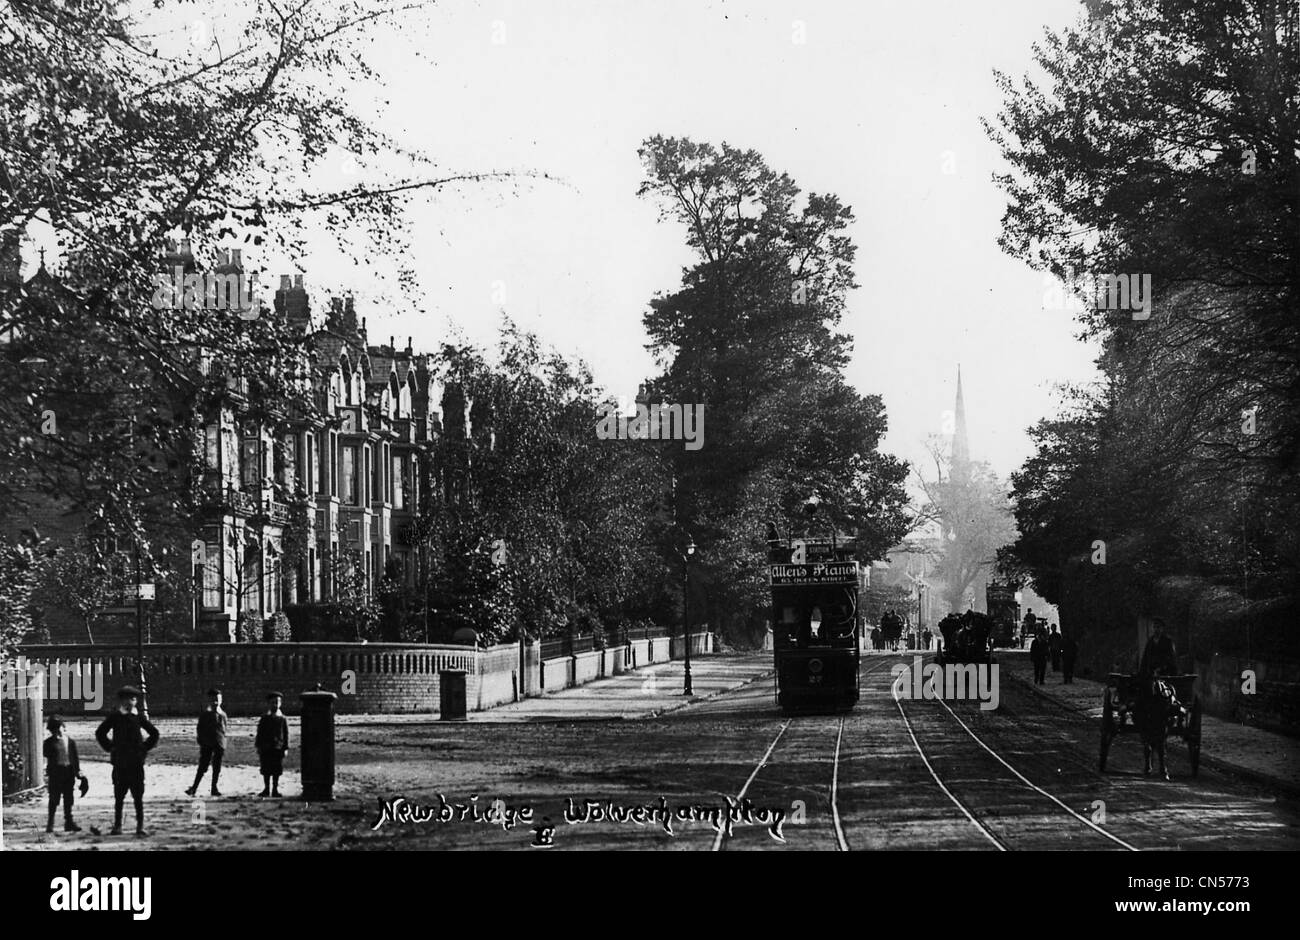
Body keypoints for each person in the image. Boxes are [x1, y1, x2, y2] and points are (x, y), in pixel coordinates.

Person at [95, 685, 160, 837]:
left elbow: (154, 733)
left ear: (136, 701)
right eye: (126, 699)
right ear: (121, 701)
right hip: (120, 762)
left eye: (133, 699)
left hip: (136, 763)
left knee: (138, 796)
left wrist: (144, 748)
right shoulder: (115, 717)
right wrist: (111, 748)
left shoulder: (138, 717)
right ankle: (118, 826)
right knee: (119, 796)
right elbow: (100, 732)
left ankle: (140, 826)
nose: (130, 702)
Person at [43, 716, 86, 833]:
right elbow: (47, 754)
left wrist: (78, 773)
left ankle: (69, 821)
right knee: (54, 798)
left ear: (63, 727)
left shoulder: (70, 741)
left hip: (68, 771)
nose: (57, 731)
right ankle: (50, 822)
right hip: (56, 772)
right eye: (54, 729)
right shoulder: (48, 742)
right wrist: (53, 742)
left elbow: (75, 759)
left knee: (68, 797)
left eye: (59, 728)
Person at [186, 688, 228, 798]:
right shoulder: (205, 715)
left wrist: (223, 742)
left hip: (219, 744)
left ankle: (214, 788)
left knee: (217, 767)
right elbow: (200, 729)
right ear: (209, 701)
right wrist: (202, 742)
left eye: (217, 700)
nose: (215, 702)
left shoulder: (223, 715)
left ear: (221, 700)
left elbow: (224, 729)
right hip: (207, 744)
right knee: (203, 766)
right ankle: (194, 787)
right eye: (213, 700)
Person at [255, 691, 290, 798]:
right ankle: (266, 789)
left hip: (277, 747)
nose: (275, 704)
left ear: (280, 704)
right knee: (266, 769)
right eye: (272, 702)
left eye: (277, 702)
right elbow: (259, 733)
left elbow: (286, 734)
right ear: (269, 704)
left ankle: (275, 789)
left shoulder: (282, 718)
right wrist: (258, 746)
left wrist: (285, 748)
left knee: (276, 770)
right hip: (266, 748)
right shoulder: (265, 718)